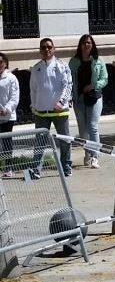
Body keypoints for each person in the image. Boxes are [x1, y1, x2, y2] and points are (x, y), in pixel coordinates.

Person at [29, 38, 72, 178]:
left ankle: (66, 167)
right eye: (43, 47)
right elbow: (33, 89)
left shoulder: (62, 65)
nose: (46, 50)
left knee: (64, 141)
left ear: (54, 49)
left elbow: (68, 86)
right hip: (41, 112)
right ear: (40, 50)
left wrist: (61, 102)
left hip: (60, 111)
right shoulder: (36, 68)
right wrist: (34, 106)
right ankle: (36, 170)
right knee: (39, 142)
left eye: (49, 47)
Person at [69, 34, 108, 169]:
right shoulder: (73, 62)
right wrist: (70, 96)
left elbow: (105, 79)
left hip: (94, 97)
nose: (86, 45)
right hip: (78, 99)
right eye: (84, 43)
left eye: (89, 43)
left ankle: (95, 156)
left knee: (93, 127)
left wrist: (93, 86)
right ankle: (87, 152)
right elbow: (69, 80)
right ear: (80, 45)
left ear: (93, 45)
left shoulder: (98, 61)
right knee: (83, 129)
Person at [0, 52, 20, 178]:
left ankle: (8, 168)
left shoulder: (11, 78)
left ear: (5, 63)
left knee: (7, 142)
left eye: (0, 62)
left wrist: (6, 109)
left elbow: (14, 97)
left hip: (7, 116)